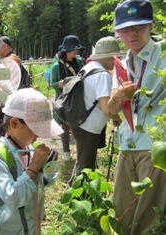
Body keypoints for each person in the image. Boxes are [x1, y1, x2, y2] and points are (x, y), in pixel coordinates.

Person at [108, 1, 166, 234]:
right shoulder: (121, 64)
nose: (132, 34)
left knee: (149, 215)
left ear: (151, 25)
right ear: (117, 32)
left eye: (139, 27)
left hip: (157, 145)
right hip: (128, 143)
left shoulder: (163, 55)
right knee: (122, 209)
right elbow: (110, 110)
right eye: (124, 29)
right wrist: (119, 96)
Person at [0, 88, 63, 234]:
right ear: (14, 123)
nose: (38, 136)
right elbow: (13, 199)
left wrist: (48, 168)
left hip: (32, 225)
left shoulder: (29, 147)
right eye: (35, 129)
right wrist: (33, 168)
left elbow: (43, 183)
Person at [67, 36, 123, 186]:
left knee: (82, 159)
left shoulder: (88, 68)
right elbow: (106, 108)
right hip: (89, 126)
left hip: (80, 121)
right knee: (86, 166)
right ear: (109, 57)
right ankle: (80, 199)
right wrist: (117, 116)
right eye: (116, 58)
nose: (116, 61)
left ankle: (72, 188)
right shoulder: (102, 74)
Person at [51, 35, 85, 161]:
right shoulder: (56, 66)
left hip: (77, 97)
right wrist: (58, 84)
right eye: (73, 50)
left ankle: (81, 150)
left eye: (77, 49)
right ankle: (66, 151)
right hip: (64, 99)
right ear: (65, 50)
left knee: (78, 124)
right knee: (64, 125)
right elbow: (53, 84)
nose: (75, 52)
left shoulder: (80, 61)